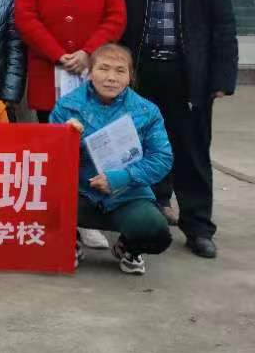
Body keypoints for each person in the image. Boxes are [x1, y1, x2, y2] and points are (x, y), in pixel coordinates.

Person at [114, 0, 237, 259]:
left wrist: (222, 78)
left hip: (188, 74)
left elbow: (223, 27)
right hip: (139, 73)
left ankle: (198, 226)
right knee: (139, 146)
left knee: (192, 150)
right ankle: (148, 215)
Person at [52, 44, 176, 275]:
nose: (111, 77)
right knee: (42, 206)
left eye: (120, 71)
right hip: (80, 192)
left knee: (156, 231)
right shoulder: (67, 107)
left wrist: (121, 177)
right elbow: (50, 157)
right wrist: (66, 138)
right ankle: (70, 241)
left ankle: (128, 248)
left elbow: (161, 158)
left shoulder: (147, 111)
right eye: (103, 68)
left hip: (128, 195)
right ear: (90, 72)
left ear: (130, 76)